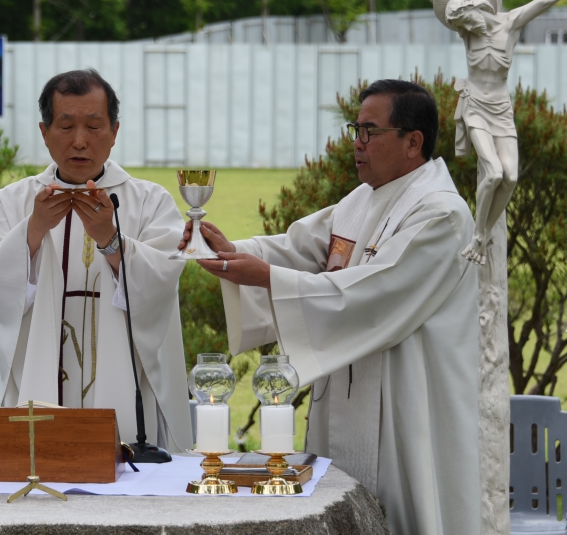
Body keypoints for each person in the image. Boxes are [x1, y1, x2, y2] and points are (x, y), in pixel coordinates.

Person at [182, 80, 480, 535]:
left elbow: (374, 294)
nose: (357, 144)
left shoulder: (442, 215)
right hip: (346, 396)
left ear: (413, 142)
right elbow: (297, 249)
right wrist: (229, 251)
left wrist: (266, 278)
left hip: (406, 409)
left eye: (370, 132)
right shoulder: (363, 199)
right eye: (355, 130)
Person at [0, 68, 192, 452]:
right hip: (37, 374)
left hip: (122, 381)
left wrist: (112, 241)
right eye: (66, 126)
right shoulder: (11, 202)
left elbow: (161, 282)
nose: (80, 141)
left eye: (94, 126)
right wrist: (33, 230)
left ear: (115, 132)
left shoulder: (149, 201)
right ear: (44, 132)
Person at [373, 0, 567, 264]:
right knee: (492, 173)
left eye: (465, 20)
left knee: (511, 177)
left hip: (502, 110)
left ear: (477, 8)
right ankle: (478, 234)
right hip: (476, 107)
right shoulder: (467, 34)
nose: (463, 27)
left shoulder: (510, 24)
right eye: (458, 24)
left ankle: (484, 232)